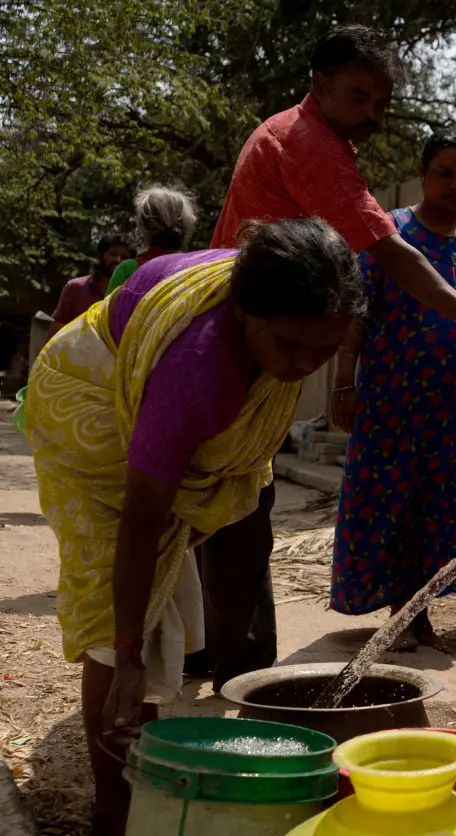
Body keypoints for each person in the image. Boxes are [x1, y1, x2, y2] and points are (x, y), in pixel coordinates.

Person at [200, 24, 456, 690]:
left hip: (448, 399)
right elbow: (383, 264)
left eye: (383, 105)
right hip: (346, 375)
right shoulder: (311, 146)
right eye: (361, 99)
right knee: (236, 504)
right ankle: (234, 665)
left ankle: (211, 650)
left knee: (236, 499)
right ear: (320, 84)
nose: (373, 118)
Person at [25, 218, 364, 835]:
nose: (305, 367)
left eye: (324, 351)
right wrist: (127, 653)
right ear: (248, 315)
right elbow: (141, 519)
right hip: (87, 400)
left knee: (161, 590)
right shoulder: (199, 373)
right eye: (292, 347)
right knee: (116, 613)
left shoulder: (279, 332)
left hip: (150, 386)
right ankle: (113, 812)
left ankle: (142, 761)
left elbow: (184, 508)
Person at [330, 134, 456, 649]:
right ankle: (400, 609)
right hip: (395, 402)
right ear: (423, 171)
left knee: (444, 506)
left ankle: (418, 610)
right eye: (444, 173)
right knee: (396, 504)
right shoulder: (391, 233)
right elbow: (356, 314)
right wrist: (345, 381)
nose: (454, 185)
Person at [106, 185, 199, 295]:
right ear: (186, 226)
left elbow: (107, 311)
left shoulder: (127, 270)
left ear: (143, 227)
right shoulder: (196, 270)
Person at [50, 238, 134, 336]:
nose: (118, 260)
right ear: (100, 256)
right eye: (113, 254)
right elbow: (57, 330)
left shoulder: (132, 295)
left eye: (124, 257)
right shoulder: (76, 288)